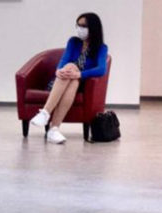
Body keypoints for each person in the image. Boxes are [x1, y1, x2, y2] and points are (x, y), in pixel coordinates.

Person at [29, 12, 109, 144]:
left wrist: (80, 74)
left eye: (83, 26)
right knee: (70, 67)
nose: (79, 29)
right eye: (78, 25)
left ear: (93, 28)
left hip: (81, 83)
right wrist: (58, 71)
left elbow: (101, 69)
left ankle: (45, 113)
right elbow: (64, 59)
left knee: (73, 70)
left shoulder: (101, 48)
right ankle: (54, 129)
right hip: (61, 81)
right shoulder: (73, 42)